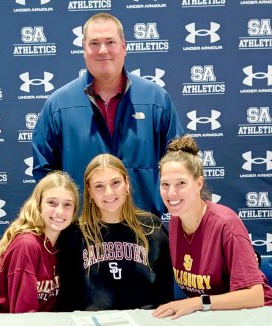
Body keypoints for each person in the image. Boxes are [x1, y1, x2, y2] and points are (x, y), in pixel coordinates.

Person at [32, 12, 183, 218]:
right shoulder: (58, 105)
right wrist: (66, 214)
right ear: (84, 50)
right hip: (82, 232)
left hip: (144, 228)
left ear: (124, 46)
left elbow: (179, 162)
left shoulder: (156, 99)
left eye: (110, 42)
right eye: (94, 43)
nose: (103, 50)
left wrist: (157, 206)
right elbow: (45, 173)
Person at [152, 136, 272, 319]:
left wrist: (197, 302)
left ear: (198, 183)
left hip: (260, 318)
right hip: (218, 320)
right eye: (165, 184)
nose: (172, 193)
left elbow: (255, 296)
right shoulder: (175, 221)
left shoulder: (226, 224)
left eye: (181, 183)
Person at [57, 154, 173, 311]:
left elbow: (166, 293)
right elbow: (67, 298)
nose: (109, 192)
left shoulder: (152, 227)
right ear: (89, 190)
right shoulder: (75, 234)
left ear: (127, 184)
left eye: (115, 183)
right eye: (99, 186)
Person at [0, 171, 78, 313]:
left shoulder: (60, 245)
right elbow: (24, 315)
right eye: (52, 203)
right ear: (38, 205)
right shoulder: (27, 245)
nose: (60, 211)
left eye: (67, 205)